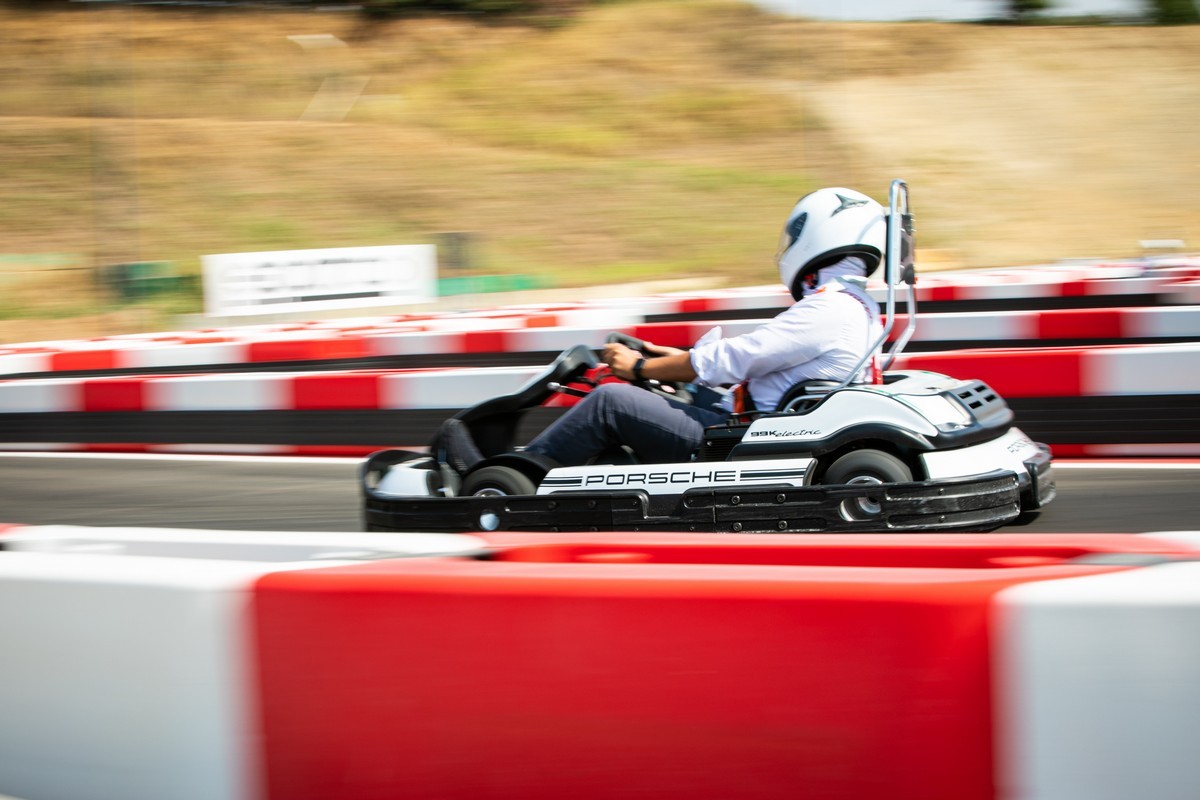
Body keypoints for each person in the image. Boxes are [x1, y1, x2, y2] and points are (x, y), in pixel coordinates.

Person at [443, 186, 887, 472]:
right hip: (766, 421)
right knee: (677, 390)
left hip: (748, 441)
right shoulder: (859, 308)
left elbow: (739, 358)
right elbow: (766, 359)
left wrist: (637, 368)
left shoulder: (830, 309)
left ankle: (510, 478)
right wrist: (660, 356)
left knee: (611, 401)